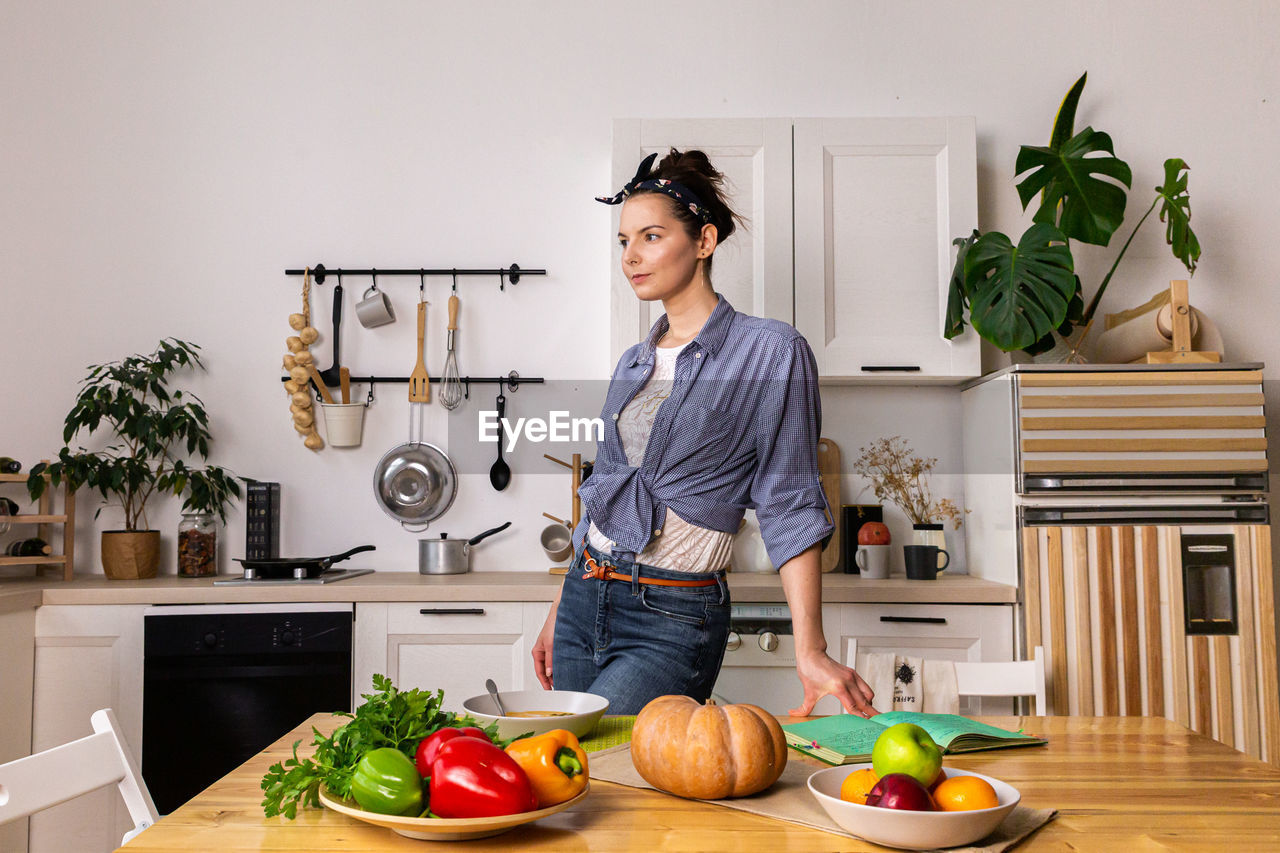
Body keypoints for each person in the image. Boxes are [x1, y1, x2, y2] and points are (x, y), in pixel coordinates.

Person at [531, 149, 875, 717]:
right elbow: (605, 492)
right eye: (624, 241)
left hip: (672, 614)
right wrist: (558, 605)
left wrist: (810, 648)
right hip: (583, 598)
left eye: (650, 236)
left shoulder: (769, 351)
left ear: (704, 241)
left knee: (611, 771)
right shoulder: (632, 363)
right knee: (569, 781)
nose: (631, 257)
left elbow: (788, 499)